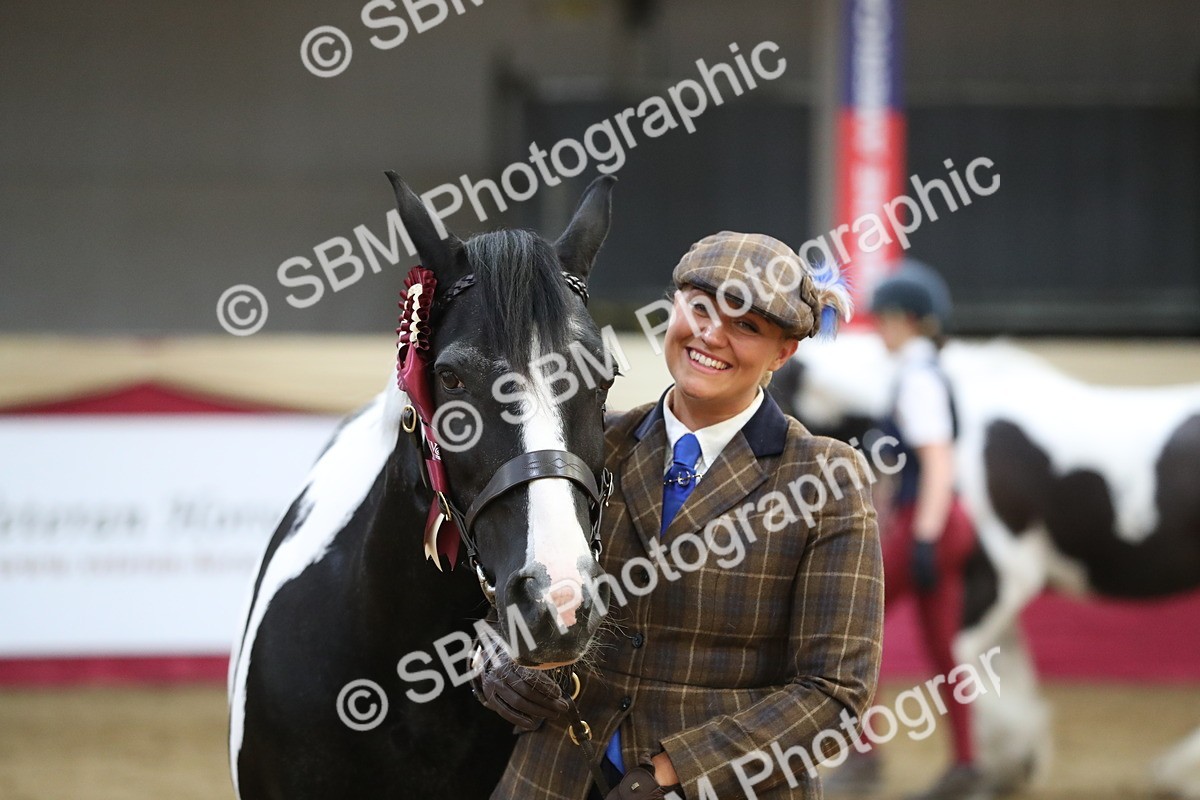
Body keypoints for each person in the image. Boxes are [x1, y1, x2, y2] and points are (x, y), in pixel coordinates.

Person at [474, 232, 885, 800]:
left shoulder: (826, 479)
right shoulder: (592, 444)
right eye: (699, 308)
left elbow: (834, 692)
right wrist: (495, 656)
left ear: (783, 352)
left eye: (747, 326)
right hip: (550, 780)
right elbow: (504, 584)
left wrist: (673, 773)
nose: (711, 334)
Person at [848, 261, 991, 800]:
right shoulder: (926, 372)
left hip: (930, 518)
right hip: (941, 519)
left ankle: (863, 755)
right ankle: (967, 763)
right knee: (942, 648)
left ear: (906, 319)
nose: (879, 327)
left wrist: (924, 536)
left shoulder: (917, 378)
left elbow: (936, 463)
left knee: (858, 629)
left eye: (883, 317)